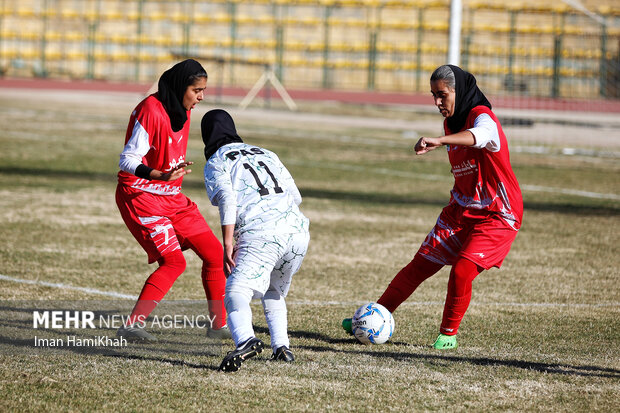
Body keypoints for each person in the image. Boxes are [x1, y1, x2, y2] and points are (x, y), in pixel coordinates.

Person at [343, 64, 523, 350]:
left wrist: (439, 141)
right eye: (433, 96)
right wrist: (443, 136)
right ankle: (373, 317)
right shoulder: (451, 122)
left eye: (443, 95)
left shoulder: (481, 116)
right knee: (420, 265)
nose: (438, 102)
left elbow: (482, 136)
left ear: (459, 91)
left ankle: (448, 334)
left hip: (497, 212)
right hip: (460, 210)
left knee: (463, 269)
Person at [115, 59, 229, 342]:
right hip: (141, 196)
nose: (201, 96)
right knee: (174, 262)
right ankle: (131, 326)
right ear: (181, 87)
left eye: (203, 90)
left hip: (172, 197)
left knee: (215, 255)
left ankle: (218, 327)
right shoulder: (150, 110)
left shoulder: (184, 111)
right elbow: (127, 159)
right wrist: (159, 175)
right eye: (196, 90)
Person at [201, 109, 310, 372]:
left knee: (235, 290)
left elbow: (227, 200)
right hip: (297, 231)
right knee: (274, 290)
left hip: (262, 232)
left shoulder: (217, 160)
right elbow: (295, 196)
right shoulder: (266, 152)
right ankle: (282, 347)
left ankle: (246, 340)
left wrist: (228, 241)